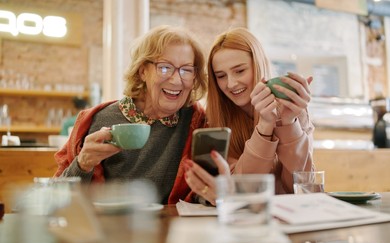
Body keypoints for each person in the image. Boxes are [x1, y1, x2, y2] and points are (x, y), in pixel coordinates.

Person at [54, 25, 208, 204]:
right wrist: (83, 164)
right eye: (165, 68)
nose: (176, 80)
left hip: (175, 229)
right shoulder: (100, 120)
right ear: (143, 71)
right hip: (113, 229)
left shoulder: (196, 122)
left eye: (186, 70)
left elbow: (204, 194)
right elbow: (56, 199)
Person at [184, 27, 315, 205]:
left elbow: (302, 186)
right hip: (243, 219)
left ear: (258, 65)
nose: (230, 84)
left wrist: (289, 123)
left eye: (239, 71)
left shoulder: (293, 109)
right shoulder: (216, 120)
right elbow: (240, 190)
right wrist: (264, 126)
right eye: (221, 76)